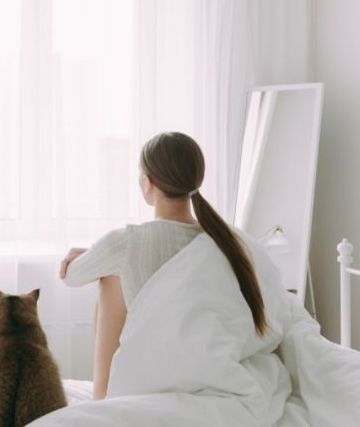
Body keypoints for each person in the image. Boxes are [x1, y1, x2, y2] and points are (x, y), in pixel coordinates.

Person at [59, 132, 266, 400]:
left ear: (147, 183)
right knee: (115, 269)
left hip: (148, 377)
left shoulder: (128, 242)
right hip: (205, 371)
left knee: (110, 276)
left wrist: (89, 255)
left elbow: (70, 277)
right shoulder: (226, 241)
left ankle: (103, 395)